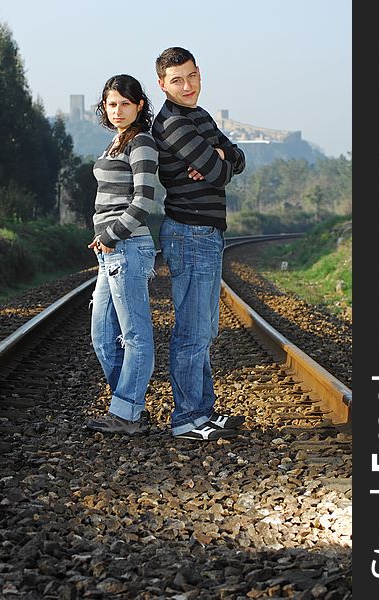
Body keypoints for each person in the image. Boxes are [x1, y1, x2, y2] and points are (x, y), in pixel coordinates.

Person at [152, 47, 247, 441]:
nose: (187, 86)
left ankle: (203, 410)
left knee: (205, 329)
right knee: (192, 330)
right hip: (190, 232)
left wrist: (221, 154)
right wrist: (219, 160)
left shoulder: (200, 117)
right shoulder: (173, 123)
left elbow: (236, 160)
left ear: (199, 74)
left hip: (207, 232)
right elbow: (219, 173)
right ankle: (187, 418)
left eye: (192, 76)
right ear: (162, 84)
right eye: (177, 80)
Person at [86, 74, 158, 436]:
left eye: (125, 104)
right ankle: (128, 405)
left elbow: (144, 200)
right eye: (111, 104)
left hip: (128, 247)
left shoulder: (141, 142)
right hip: (111, 250)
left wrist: (111, 235)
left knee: (135, 336)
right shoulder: (114, 143)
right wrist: (103, 238)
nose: (117, 110)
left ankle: (127, 413)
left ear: (139, 105)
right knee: (102, 336)